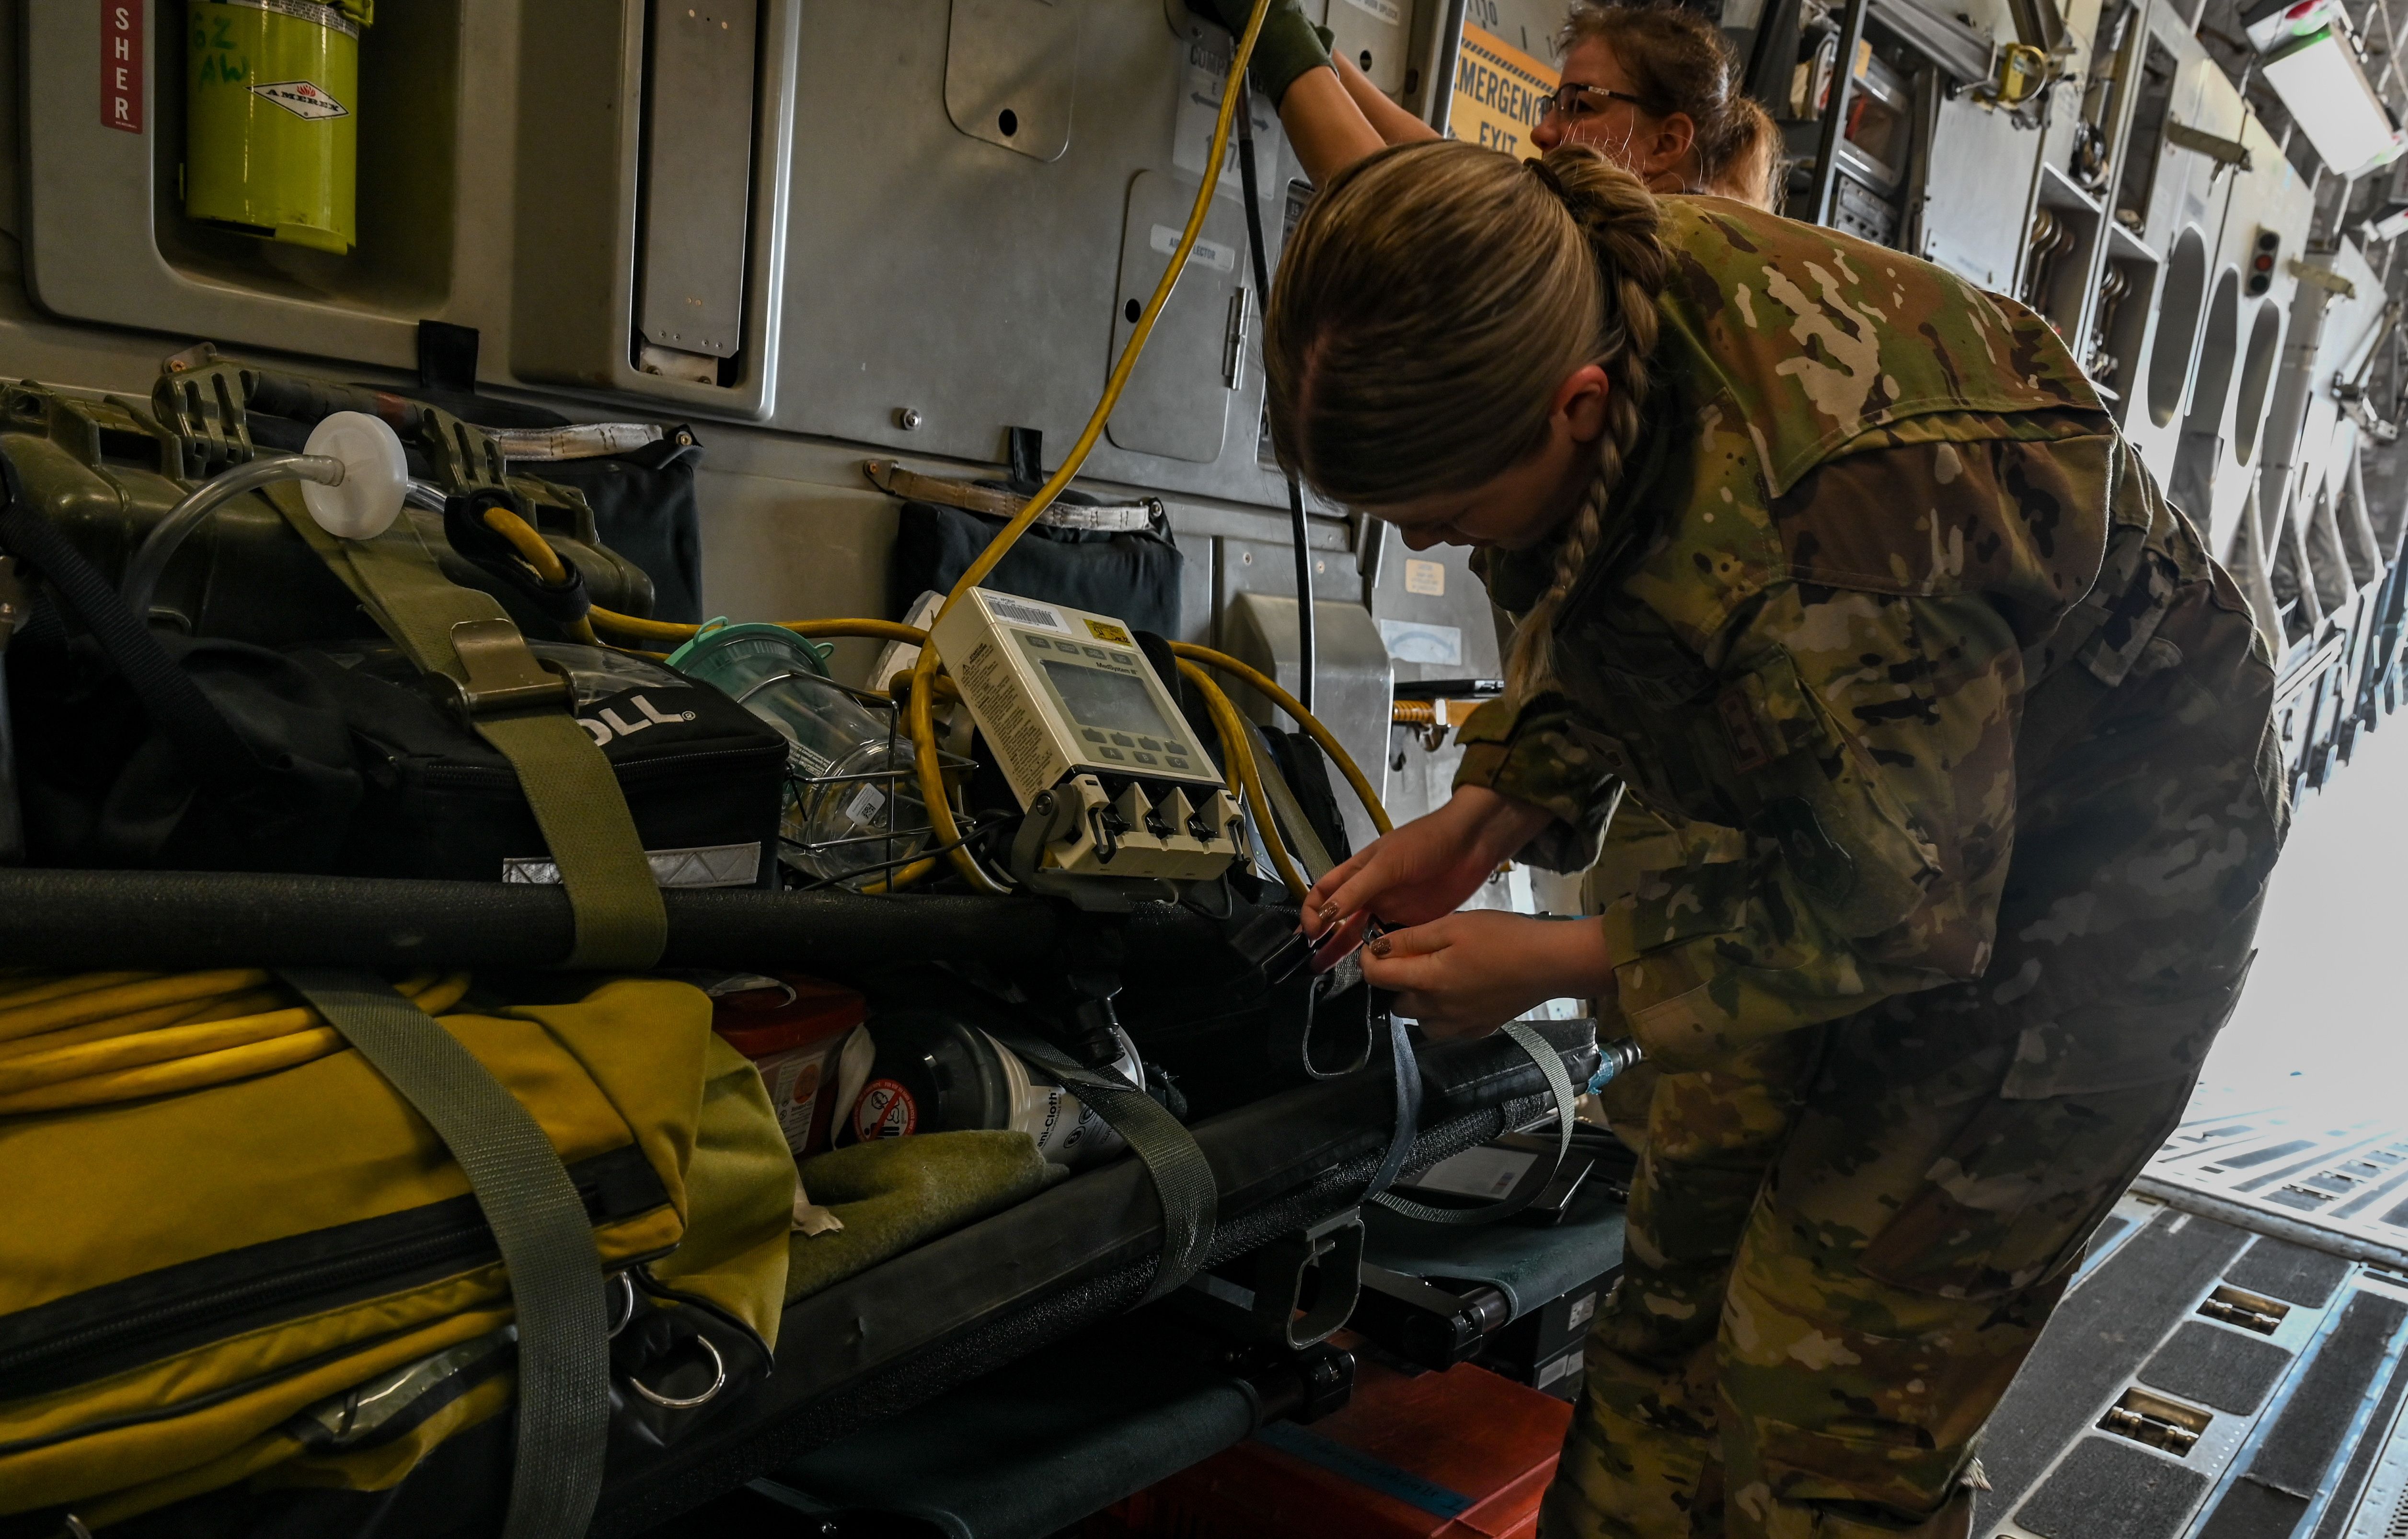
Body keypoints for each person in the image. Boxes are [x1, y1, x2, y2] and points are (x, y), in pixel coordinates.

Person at [1262, 141, 2286, 1537]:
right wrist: (1481, 811)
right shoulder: (1583, 286)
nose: (1438, 540)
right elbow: (1595, 580)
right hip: (1838, 808)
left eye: (1442, 517)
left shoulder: (1835, 501)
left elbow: (1904, 898)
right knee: (1674, 1311)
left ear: (1576, 405)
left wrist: (1553, 957)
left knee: (1824, 1404)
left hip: (2089, 885)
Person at [1201, 0, 1776, 207]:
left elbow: (1385, 200)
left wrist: (1271, 26)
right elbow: (1447, 166)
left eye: (1580, 107)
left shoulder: (1644, 255)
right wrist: (1319, 50)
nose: (1543, 133)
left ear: (1666, 142)